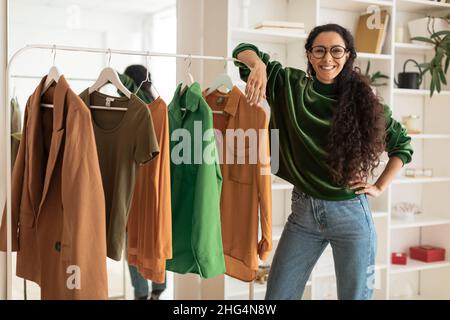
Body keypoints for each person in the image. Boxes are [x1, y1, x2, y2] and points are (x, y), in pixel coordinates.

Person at [232, 24, 413, 300]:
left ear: (348, 55)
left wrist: (378, 187)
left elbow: (402, 145)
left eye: (336, 50)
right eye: (320, 50)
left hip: (351, 215)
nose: (328, 58)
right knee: (277, 296)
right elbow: (241, 51)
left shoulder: (365, 102)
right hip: (304, 214)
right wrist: (258, 65)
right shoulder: (289, 86)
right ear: (309, 55)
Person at [120, 65, 167, 300]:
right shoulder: (160, 105)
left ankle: (141, 292)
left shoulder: (130, 106)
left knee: (133, 241)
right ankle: (158, 288)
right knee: (156, 235)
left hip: (134, 183)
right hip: (156, 182)